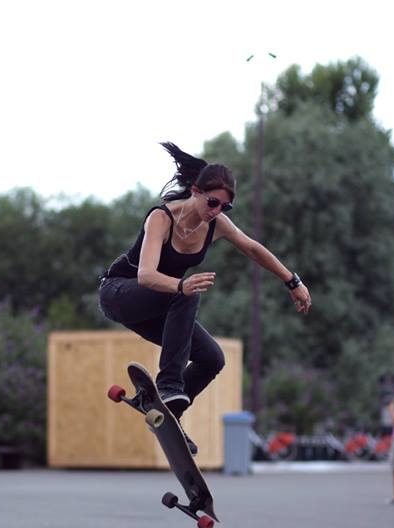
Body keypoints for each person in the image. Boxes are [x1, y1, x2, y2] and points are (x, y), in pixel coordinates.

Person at [98, 142, 312, 454]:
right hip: (119, 292)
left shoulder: (216, 224)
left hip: (157, 306)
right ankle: (168, 385)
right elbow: (145, 275)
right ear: (196, 191)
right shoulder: (161, 218)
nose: (215, 212)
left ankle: (165, 410)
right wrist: (181, 287)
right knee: (186, 291)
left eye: (224, 207)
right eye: (212, 203)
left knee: (212, 358)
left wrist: (292, 281)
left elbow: (252, 248)